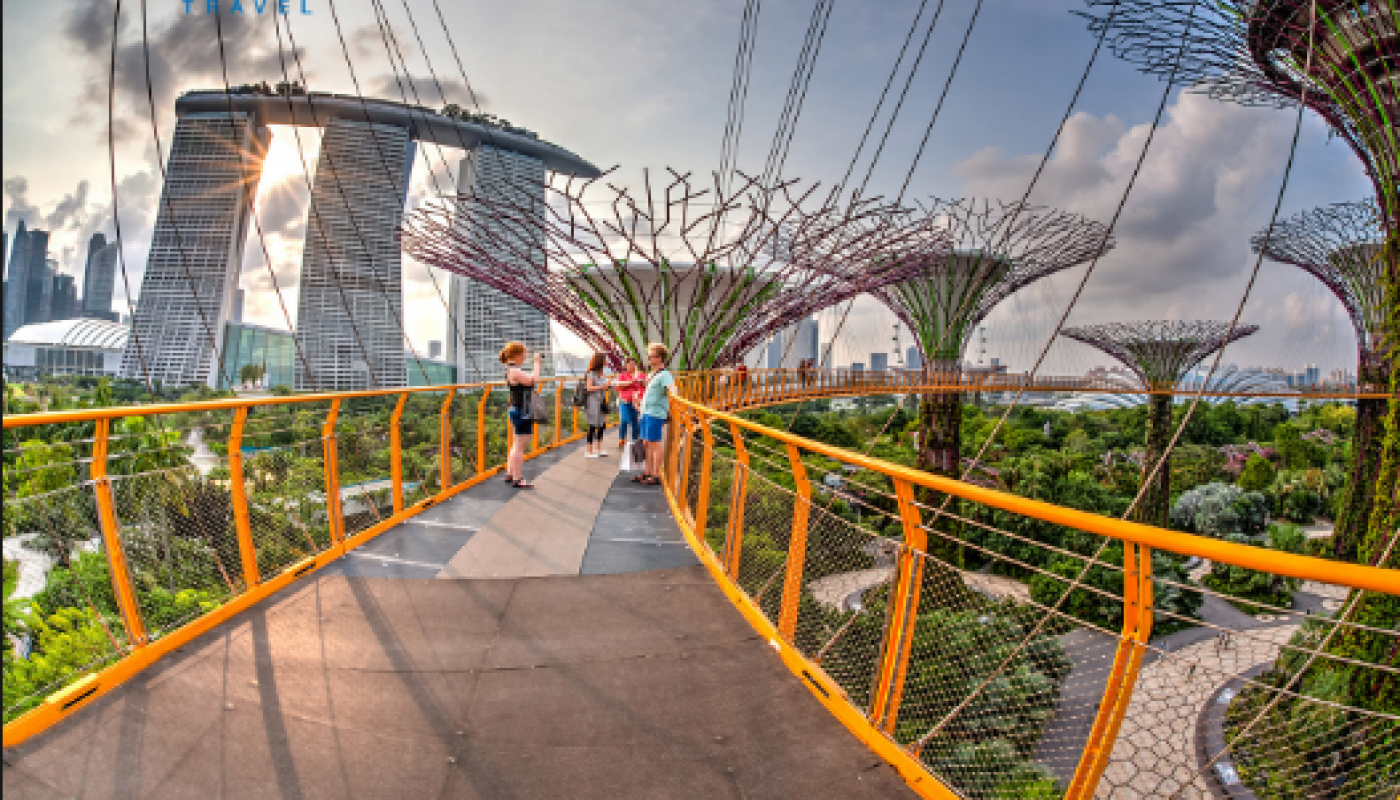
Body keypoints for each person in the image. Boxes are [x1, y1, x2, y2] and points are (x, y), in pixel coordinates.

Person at [501, 341, 543, 488]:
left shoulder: (511, 370)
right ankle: (517, 479)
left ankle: (510, 473)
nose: (525, 357)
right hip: (521, 410)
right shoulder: (515, 371)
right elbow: (533, 380)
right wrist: (537, 363)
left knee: (516, 443)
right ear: (517, 355)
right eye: (524, 354)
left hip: (516, 408)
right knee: (520, 445)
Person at [634, 343, 675, 486]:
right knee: (647, 443)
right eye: (649, 355)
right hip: (646, 412)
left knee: (655, 444)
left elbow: (672, 390)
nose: (648, 358)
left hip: (655, 414)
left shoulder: (665, 374)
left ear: (660, 358)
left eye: (651, 356)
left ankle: (656, 475)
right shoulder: (652, 374)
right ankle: (647, 473)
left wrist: (673, 399)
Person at [582, 353, 613, 457]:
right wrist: (602, 386)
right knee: (592, 426)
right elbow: (588, 388)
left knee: (602, 425)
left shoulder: (602, 373)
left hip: (601, 402)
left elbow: (601, 386)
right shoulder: (591, 373)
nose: (607, 361)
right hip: (593, 403)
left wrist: (606, 386)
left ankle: (598, 449)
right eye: (605, 359)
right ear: (601, 361)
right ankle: (589, 451)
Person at [614, 356, 645, 446]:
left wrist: (642, 382)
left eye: (633, 364)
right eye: (629, 364)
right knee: (624, 420)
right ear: (625, 365)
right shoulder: (622, 375)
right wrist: (632, 381)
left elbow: (646, 384)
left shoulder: (641, 375)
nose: (632, 366)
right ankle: (621, 439)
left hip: (637, 402)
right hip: (624, 401)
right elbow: (618, 385)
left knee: (635, 422)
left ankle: (634, 441)